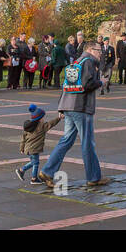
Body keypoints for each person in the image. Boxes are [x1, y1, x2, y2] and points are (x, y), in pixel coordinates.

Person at [36, 41, 107, 189]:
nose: (101, 53)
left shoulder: (76, 62)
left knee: (66, 140)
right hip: (81, 108)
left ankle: (48, 171)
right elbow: (87, 85)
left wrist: (62, 107)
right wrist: (101, 82)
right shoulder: (88, 63)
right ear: (90, 49)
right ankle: (93, 177)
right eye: (98, 50)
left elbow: (67, 84)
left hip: (69, 106)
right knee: (87, 142)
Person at [16, 104, 62, 183]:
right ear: (39, 119)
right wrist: (59, 118)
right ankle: (23, 171)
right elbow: (51, 123)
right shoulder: (41, 127)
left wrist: (21, 148)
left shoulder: (28, 127)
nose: (43, 119)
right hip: (34, 149)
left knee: (34, 162)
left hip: (28, 148)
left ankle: (32, 177)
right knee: (35, 163)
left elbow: (23, 138)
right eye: (43, 118)